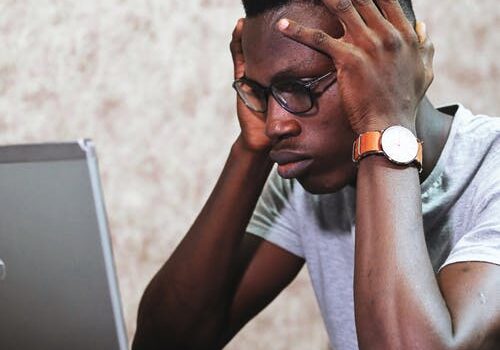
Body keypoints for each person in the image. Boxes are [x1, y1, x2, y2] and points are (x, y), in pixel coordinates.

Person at [132, 0, 500, 349]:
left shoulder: (491, 166)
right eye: (262, 93)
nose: (276, 124)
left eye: (299, 87)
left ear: (394, 67)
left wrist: (384, 126)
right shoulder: (306, 184)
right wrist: (250, 151)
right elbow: (162, 342)